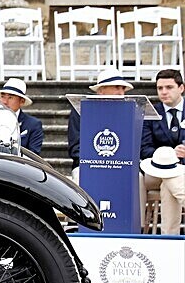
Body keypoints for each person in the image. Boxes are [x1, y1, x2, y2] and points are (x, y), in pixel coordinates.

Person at [139, 68, 185, 229]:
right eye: (160, 88)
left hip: (181, 172)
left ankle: (169, 238)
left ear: (181, 88)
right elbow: (144, 149)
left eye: (169, 87)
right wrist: (169, 156)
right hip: (155, 172)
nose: (164, 92)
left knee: (169, 184)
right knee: (168, 176)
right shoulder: (150, 113)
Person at [67, 68, 133, 178]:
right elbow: (75, 146)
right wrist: (98, 162)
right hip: (87, 165)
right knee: (79, 175)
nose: (121, 92)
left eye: (123, 88)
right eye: (117, 87)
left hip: (121, 164)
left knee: (138, 177)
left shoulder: (129, 112)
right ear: (101, 90)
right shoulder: (81, 110)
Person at [141, 146, 185, 235]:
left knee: (167, 186)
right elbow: (144, 149)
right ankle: (170, 236)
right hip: (152, 175)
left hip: (177, 170)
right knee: (172, 179)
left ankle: (169, 237)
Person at [0, 77, 42, 154]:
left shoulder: (33, 124)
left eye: (10, 97)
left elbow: (33, 154)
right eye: (2, 97)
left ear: (21, 101)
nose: (5, 102)